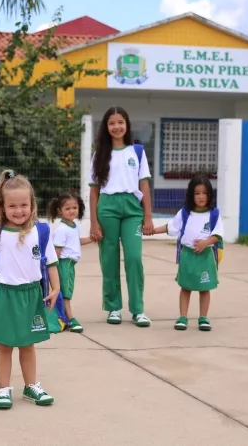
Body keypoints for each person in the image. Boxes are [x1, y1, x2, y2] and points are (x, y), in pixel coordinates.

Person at [0, 169, 60, 409]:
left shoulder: (41, 231)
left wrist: (56, 288)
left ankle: (31, 386)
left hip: (32, 294)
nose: (19, 211)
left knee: (28, 344)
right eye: (13, 206)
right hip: (5, 295)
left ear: (32, 204)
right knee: (5, 344)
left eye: (24, 205)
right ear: (2, 207)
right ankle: (4, 389)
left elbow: (51, 263)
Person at [89, 106, 154, 327]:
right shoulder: (100, 155)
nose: (117, 127)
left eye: (120, 122)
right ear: (106, 128)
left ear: (127, 124)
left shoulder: (137, 151)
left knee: (134, 258)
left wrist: (148, 217)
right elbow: (94, 190)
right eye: (111, 123)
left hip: (132, 208)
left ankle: (138, 310)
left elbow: (144, 184)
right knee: (109, 259)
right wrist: (93, 222)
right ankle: (113, 307)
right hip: (107, 207)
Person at [151, 175, 223, 332]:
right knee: (186, 287)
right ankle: (183, 317)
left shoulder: (214, 214)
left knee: (205, 288)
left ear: (210, 194)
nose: (201, 196)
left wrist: (205, 242)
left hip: (205, 256)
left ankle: (203, 317)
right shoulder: (184, 213)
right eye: (197, 193)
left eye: (204, 193)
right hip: (187, 256)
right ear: (191, 195)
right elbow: (170, 227)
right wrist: (153, 231)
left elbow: (217, 235)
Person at [47, 192, 93, 333]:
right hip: (64, 264)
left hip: (70, 264)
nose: (72, 211)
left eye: (75, 207)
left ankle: (62, 318)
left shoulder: (73, 226)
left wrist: (93, 239)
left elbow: (76, 242)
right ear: (60, 211)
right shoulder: (62, 229)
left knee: (66, 291)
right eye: (68, 208)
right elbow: (57, 251)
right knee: (66, 292)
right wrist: (52, 268)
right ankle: (70, 319)